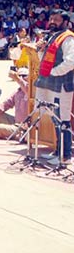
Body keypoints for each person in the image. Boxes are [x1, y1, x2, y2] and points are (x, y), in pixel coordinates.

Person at [33, 9, 73, 163]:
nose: (52, 22)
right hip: (50, 84)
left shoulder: (68, 39)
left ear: (65, 22)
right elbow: (43, 61)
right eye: (51, 18)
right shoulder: (52, 37)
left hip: (61, 85)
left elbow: (70, 62)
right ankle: (58, 151)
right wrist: (40, 50)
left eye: (56, 19)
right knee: (54, 118)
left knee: (63, 118)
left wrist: (53, 72)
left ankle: (65, 155)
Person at [0, 67, 30, 140]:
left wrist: (17, 78)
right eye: (19, 75)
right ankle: (3, 138)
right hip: (16, 123)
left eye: (24, 75)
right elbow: (6, 104)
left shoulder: (32, 91)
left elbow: (28, 90)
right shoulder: (17, 92)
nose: (21, 77)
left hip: (25, 127)